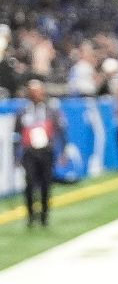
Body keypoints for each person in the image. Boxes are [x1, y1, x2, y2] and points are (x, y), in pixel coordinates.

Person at [17, 80, 65, 228]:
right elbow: (17, 133)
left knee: (46, 184)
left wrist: (63, 151)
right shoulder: (23, 111)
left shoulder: (51, 110)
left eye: (38, 91)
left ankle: (44, 215)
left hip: (46, 152)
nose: (35, 94)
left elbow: (60, 130)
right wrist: (16, 155)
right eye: (32, 91)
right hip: (30, 152)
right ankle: (31, 216)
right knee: (30, 184)